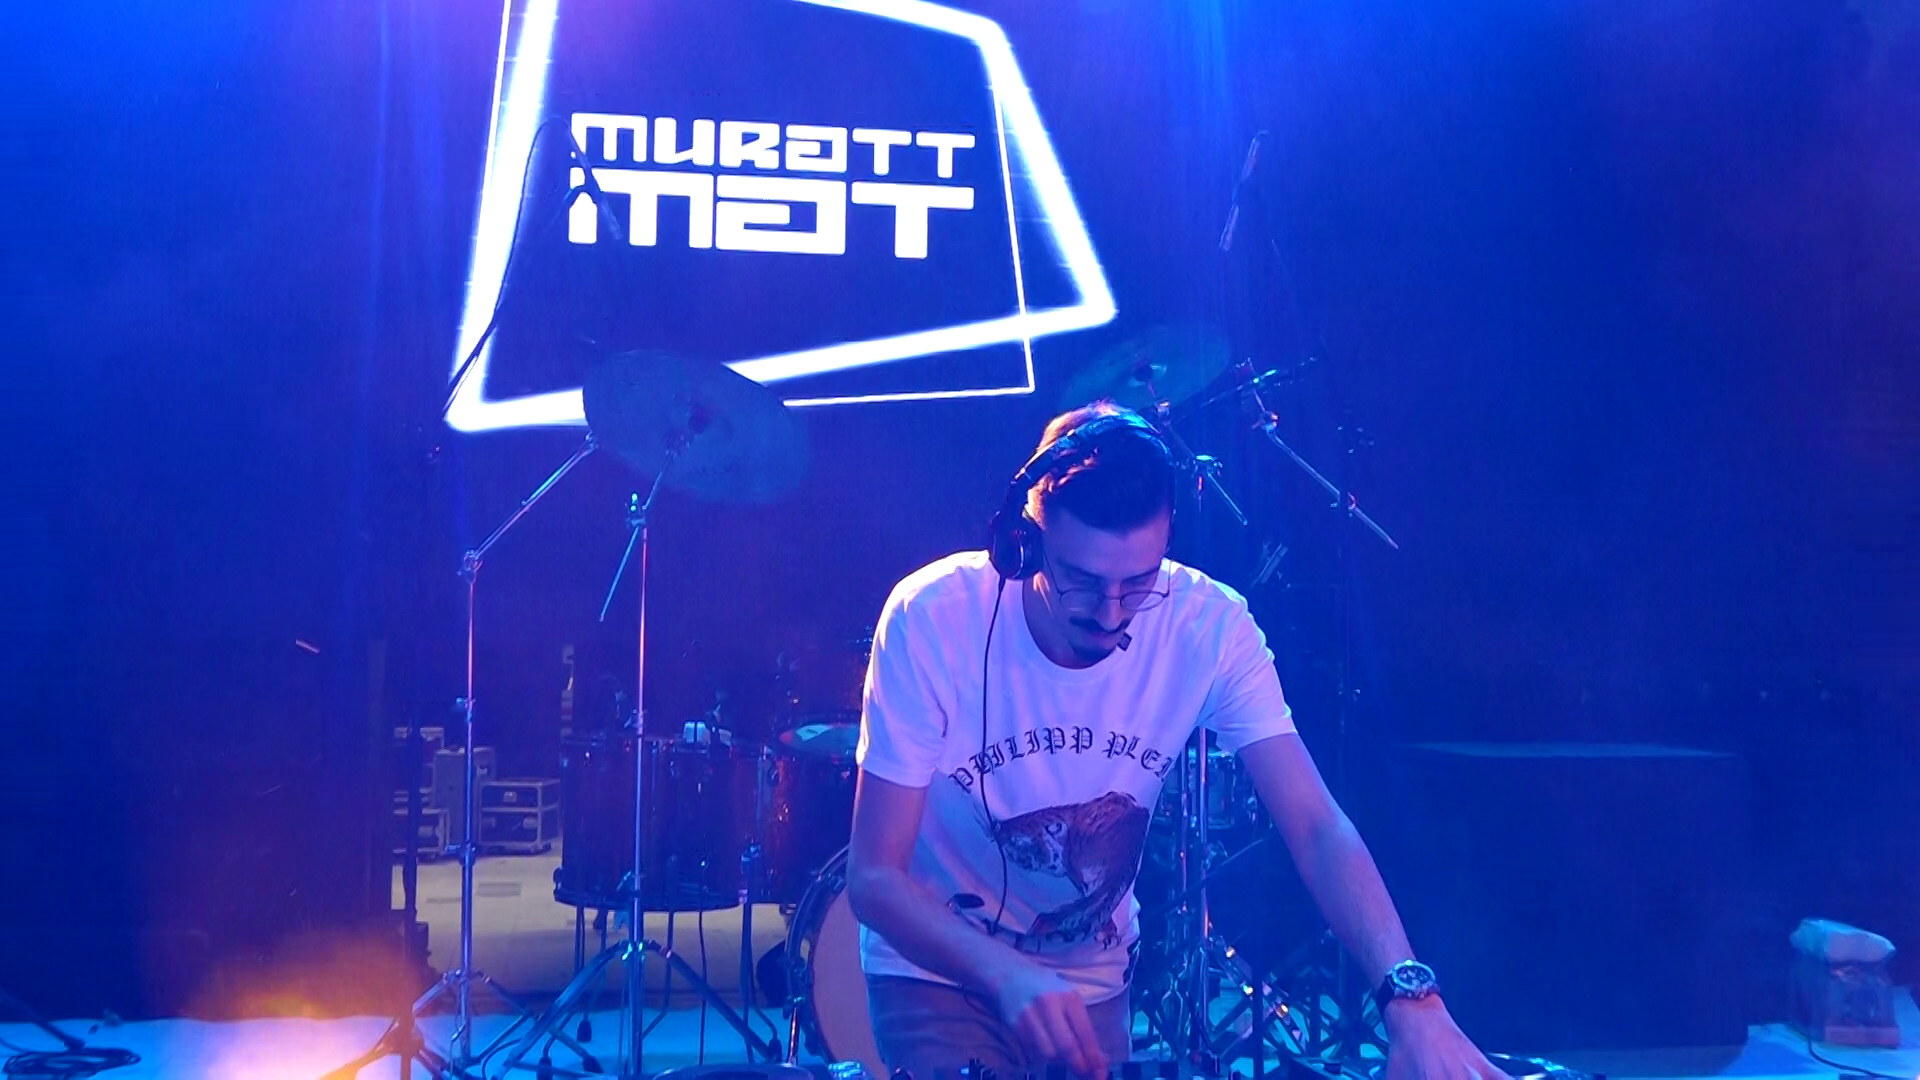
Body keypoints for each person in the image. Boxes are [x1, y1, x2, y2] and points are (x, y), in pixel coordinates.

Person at [845, 401, 1505, 1080]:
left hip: (1090, 983)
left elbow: (1315, 826)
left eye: (1138, 583)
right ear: (1026, 540)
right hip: (938, 973)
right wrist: (1004, 971)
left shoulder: (1210, 627)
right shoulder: (933, 618)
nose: (1110, 613)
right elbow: (873, 879)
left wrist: (1412, 1000)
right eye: (1081, 581)